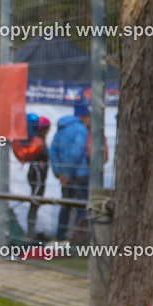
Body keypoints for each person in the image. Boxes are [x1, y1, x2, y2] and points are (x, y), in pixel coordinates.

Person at [50, 104, 90, 241]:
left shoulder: (60, 130)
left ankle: (61, 237)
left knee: (65, 207)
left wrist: (59, 173)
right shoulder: (81, 129)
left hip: (64, 177)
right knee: (82, 207)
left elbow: (53, 152)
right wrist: (67, 173)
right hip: (80, 174)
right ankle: (78, 239)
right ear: (83, 115)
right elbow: (77, 152)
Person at [11, 114, 50, 242]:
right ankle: (30, 234)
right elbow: (40, 157)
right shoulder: (37, 142)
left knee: (35, 203)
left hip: (37, 176)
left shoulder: (38, 141)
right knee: (35, 203)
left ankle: (31, 232)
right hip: (37, 176)